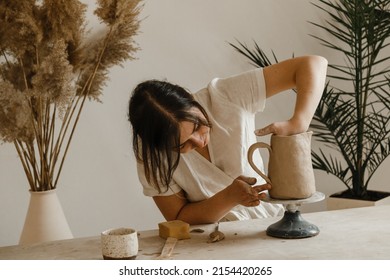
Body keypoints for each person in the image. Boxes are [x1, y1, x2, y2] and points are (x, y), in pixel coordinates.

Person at [128, 55, 328, 225]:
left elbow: (313, 63)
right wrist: (228, 198)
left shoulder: (225, 96)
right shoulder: (150, 155)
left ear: (191, 100)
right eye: (183, 144)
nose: (199, 142)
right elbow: (178, 218)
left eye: (198, 126)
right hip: (211, 244)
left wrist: (299, 122)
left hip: (272, 222)